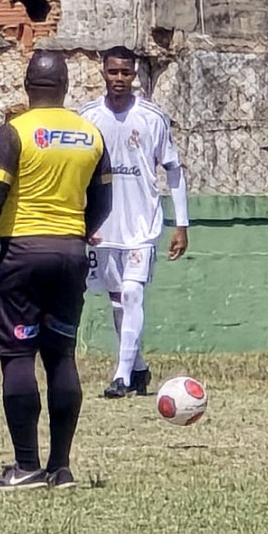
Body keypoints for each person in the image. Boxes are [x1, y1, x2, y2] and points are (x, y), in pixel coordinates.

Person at [0, 51, 112, 490]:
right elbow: (104, 203)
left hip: (20, 253)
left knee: (18, 356)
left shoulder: (13, 132)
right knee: (61, 355)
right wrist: (77, 234)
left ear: (26, 86)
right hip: (70, 254)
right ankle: (61, 467)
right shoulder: (91, 134)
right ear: (65, 86)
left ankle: (25, 467)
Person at [80, 45, 190, 398]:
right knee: (117, 300)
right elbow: (77, 173)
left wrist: (181, 224)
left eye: (126, 73)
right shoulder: (88, 118)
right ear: (103, 73)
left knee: (131, 294)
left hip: (143, 224)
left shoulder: (152, 118)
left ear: (135, 75)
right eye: (113, 72)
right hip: (103, 226)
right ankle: (139, 368)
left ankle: (122, 378)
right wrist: (82, 221)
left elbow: (173, 171)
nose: (119, 79)